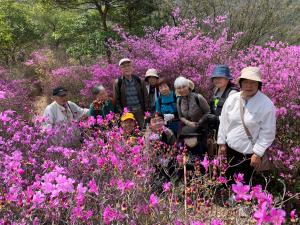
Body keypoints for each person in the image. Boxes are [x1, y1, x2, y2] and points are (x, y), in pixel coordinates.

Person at [217, 66, 276, 184]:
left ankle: (238, 202)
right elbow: (224, 121)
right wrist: (221, 143)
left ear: (258, 84)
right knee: (228, 178)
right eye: (246, 82)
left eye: (253, 83)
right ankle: (229, 200)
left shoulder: (266, 104)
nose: (249, 86)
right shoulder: (232, 99)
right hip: (230, 149)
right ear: (240, 83)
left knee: (243, 184)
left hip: (249, 154)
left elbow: (268, 132)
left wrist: (258, 153)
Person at [113, 58, 150, 128]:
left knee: (142, 130)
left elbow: (146, 96)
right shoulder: (118, 82)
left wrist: (146, 111)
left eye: (128, 65)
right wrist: (122, 113)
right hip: (127, 113)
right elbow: (116, 100)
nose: (127, 68)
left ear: (132, 67)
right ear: (120, 69)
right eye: (123, 67)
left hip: (140, 111)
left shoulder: (139, 80)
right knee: (130, 132)